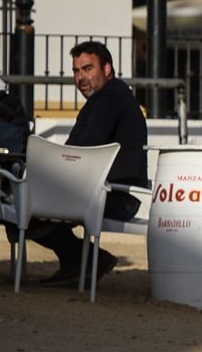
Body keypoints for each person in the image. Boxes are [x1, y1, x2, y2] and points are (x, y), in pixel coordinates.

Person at [28, 40, 148, 286]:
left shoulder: (108, 99)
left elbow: (78, 152)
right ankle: (81, 261)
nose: (81, 77)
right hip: (112, 193)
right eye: (76, 71)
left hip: (116, 196)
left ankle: (87, 260)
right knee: (31, 203)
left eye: (87, 68)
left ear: (107, 69)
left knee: (27, 205)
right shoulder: (114, 96)